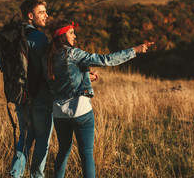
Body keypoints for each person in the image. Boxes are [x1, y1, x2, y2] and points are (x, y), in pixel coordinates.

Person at [46, 20, 154, 178]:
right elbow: (106, 60)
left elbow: (63, 80)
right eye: (71, 33)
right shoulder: (72, 53)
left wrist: (86, 76)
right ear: (62, 36)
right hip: (80, 110)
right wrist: (134, 50)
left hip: (59, 113)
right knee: (87, 154)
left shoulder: (48, 57)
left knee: (63, 152)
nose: (74, 36)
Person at [10, 0, 53, 178]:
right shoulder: (39, 37)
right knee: (43, 139)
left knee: (25, 140)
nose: (46, 15)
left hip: (21, 96)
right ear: (30, 15)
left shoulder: (13, 35)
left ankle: (15, 174)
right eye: (41, 12)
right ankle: (37, 175)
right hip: (40, 98)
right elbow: (47, 71)